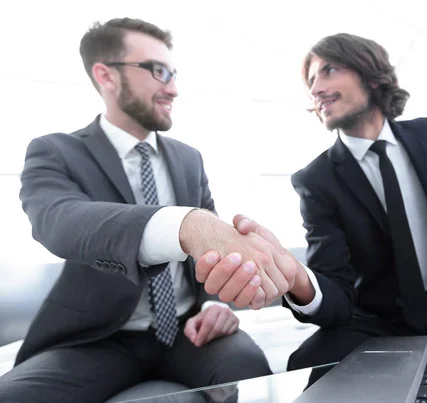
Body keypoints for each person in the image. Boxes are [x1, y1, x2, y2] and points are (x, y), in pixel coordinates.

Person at [195, 33, 427, 383]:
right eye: (310, 80)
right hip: (376, 319)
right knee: (307, 364)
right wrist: (298, 281)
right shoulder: (317, 180)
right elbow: (334, 285)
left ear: (370, 75)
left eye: (329, 70)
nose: (316, 88)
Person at [0, 17, 298, 403]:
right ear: (106, 75)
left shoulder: (189, 159)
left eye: (173, 73)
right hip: (97, 339)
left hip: (190, 330)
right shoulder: (56, 151)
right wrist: (182, 225)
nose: (172, 88)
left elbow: (204, 259)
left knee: (252, 375)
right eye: (158, 71)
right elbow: (59, 221)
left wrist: (212, 305)